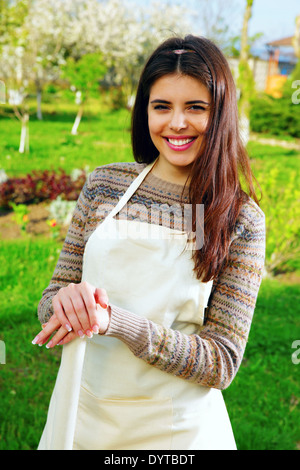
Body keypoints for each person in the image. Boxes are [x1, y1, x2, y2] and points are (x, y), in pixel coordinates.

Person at [32, 35, 265, 450]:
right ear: (145, 112)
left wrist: (115, 323)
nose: (177, 123)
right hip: (83, 413)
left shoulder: (240, 219)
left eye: (196, 107)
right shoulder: (105, 185)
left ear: (221, 113)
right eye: (162, 107)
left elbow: (221, 361)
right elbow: (53, 296)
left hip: (177, 431)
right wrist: (64, 304)